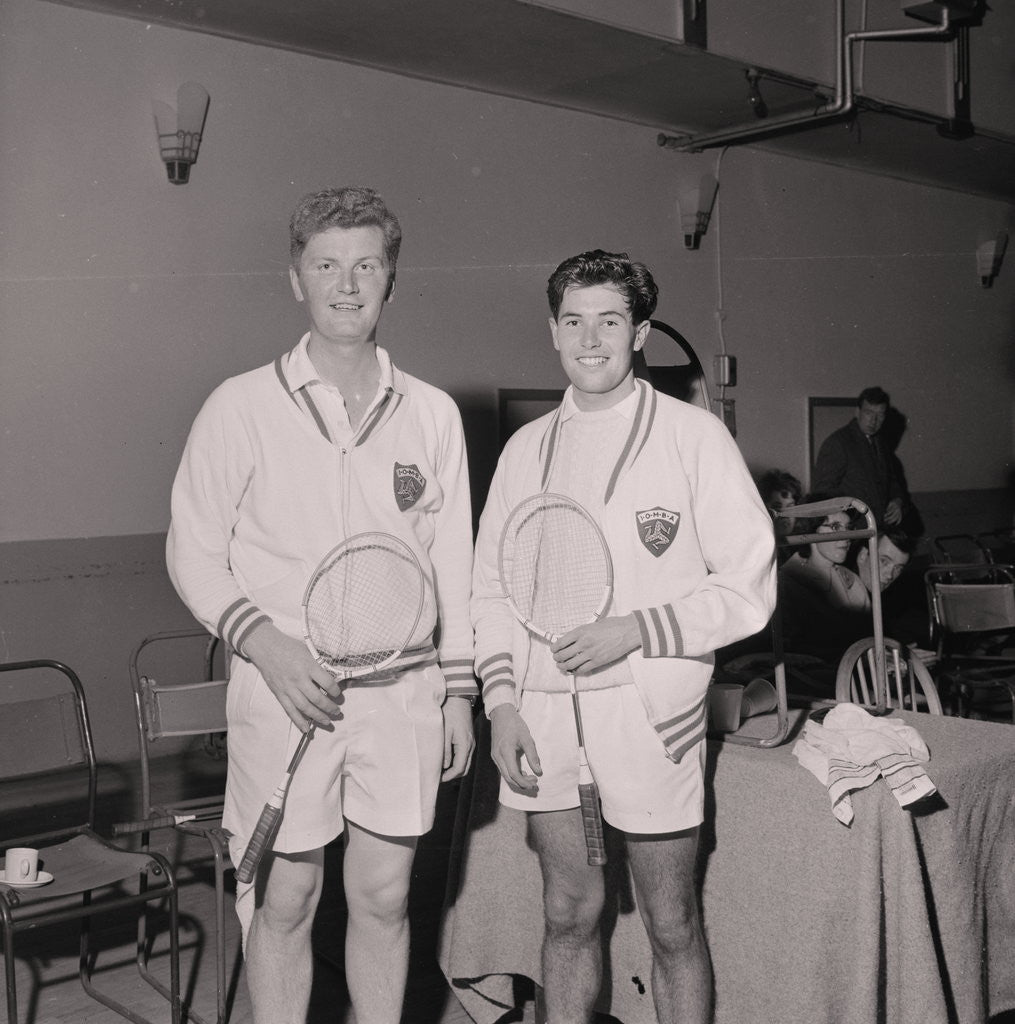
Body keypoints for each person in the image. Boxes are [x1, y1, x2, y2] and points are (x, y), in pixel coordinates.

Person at [167, 186, 477, 1024]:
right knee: (286, 902)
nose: (348, 284)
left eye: (367, 264)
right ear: (294, 278)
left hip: (404, 695)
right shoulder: (240, 405)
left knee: (382, 902)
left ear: (391, 277)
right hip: (286, 689)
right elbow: (191, 549)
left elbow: (453, 562)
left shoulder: (433, 414)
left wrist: (458, 690)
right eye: (326, 264)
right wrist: (265, 645)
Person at [471, 250, 776, 1024]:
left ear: (639, 331)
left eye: (609, 321)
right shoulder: (524, 450)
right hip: (543, 717)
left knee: (672, 926)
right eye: (573, 321)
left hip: (647, 715)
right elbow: (491, 588)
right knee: (566, 917)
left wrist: (636, 631)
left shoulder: (691, 436)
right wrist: (501, 703)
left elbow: (748, 584)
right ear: (552, 332)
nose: (591, 339)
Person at [778, 498, 871, 667]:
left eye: (849, 528)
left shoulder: (853, 580)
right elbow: (793, 649)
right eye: (835, 527)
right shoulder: (787, 582)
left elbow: (867, 636)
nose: (846, 537)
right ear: (811, 531)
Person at [812, 386, 911, 531]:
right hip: (853, 533)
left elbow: (892, 482)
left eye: (880, 415)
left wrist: (897, 501)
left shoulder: (881, 443)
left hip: (879, 531)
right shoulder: (838, 443)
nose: (874, 420)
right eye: (869, 412)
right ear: (857, 412)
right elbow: (822, 495)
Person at [757, 468, 803, 562]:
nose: (785, 515)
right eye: (777, 508)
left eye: (790, 507)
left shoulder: (801, 548)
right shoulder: (758, 549)